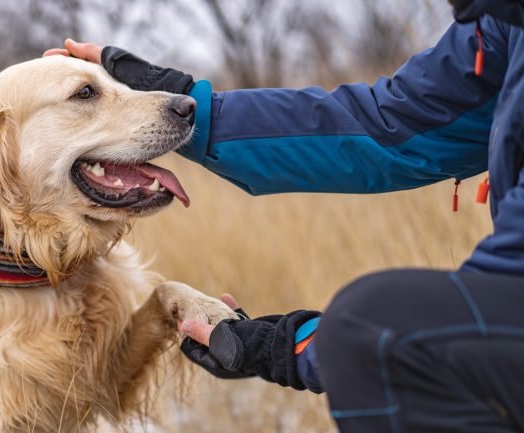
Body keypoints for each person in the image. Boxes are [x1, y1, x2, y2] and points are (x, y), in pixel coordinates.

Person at [45, 1, 524, 432]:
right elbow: (385, 127)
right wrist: (188, 105)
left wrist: (291, 347)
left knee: (374, 333)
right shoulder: (503, 23)